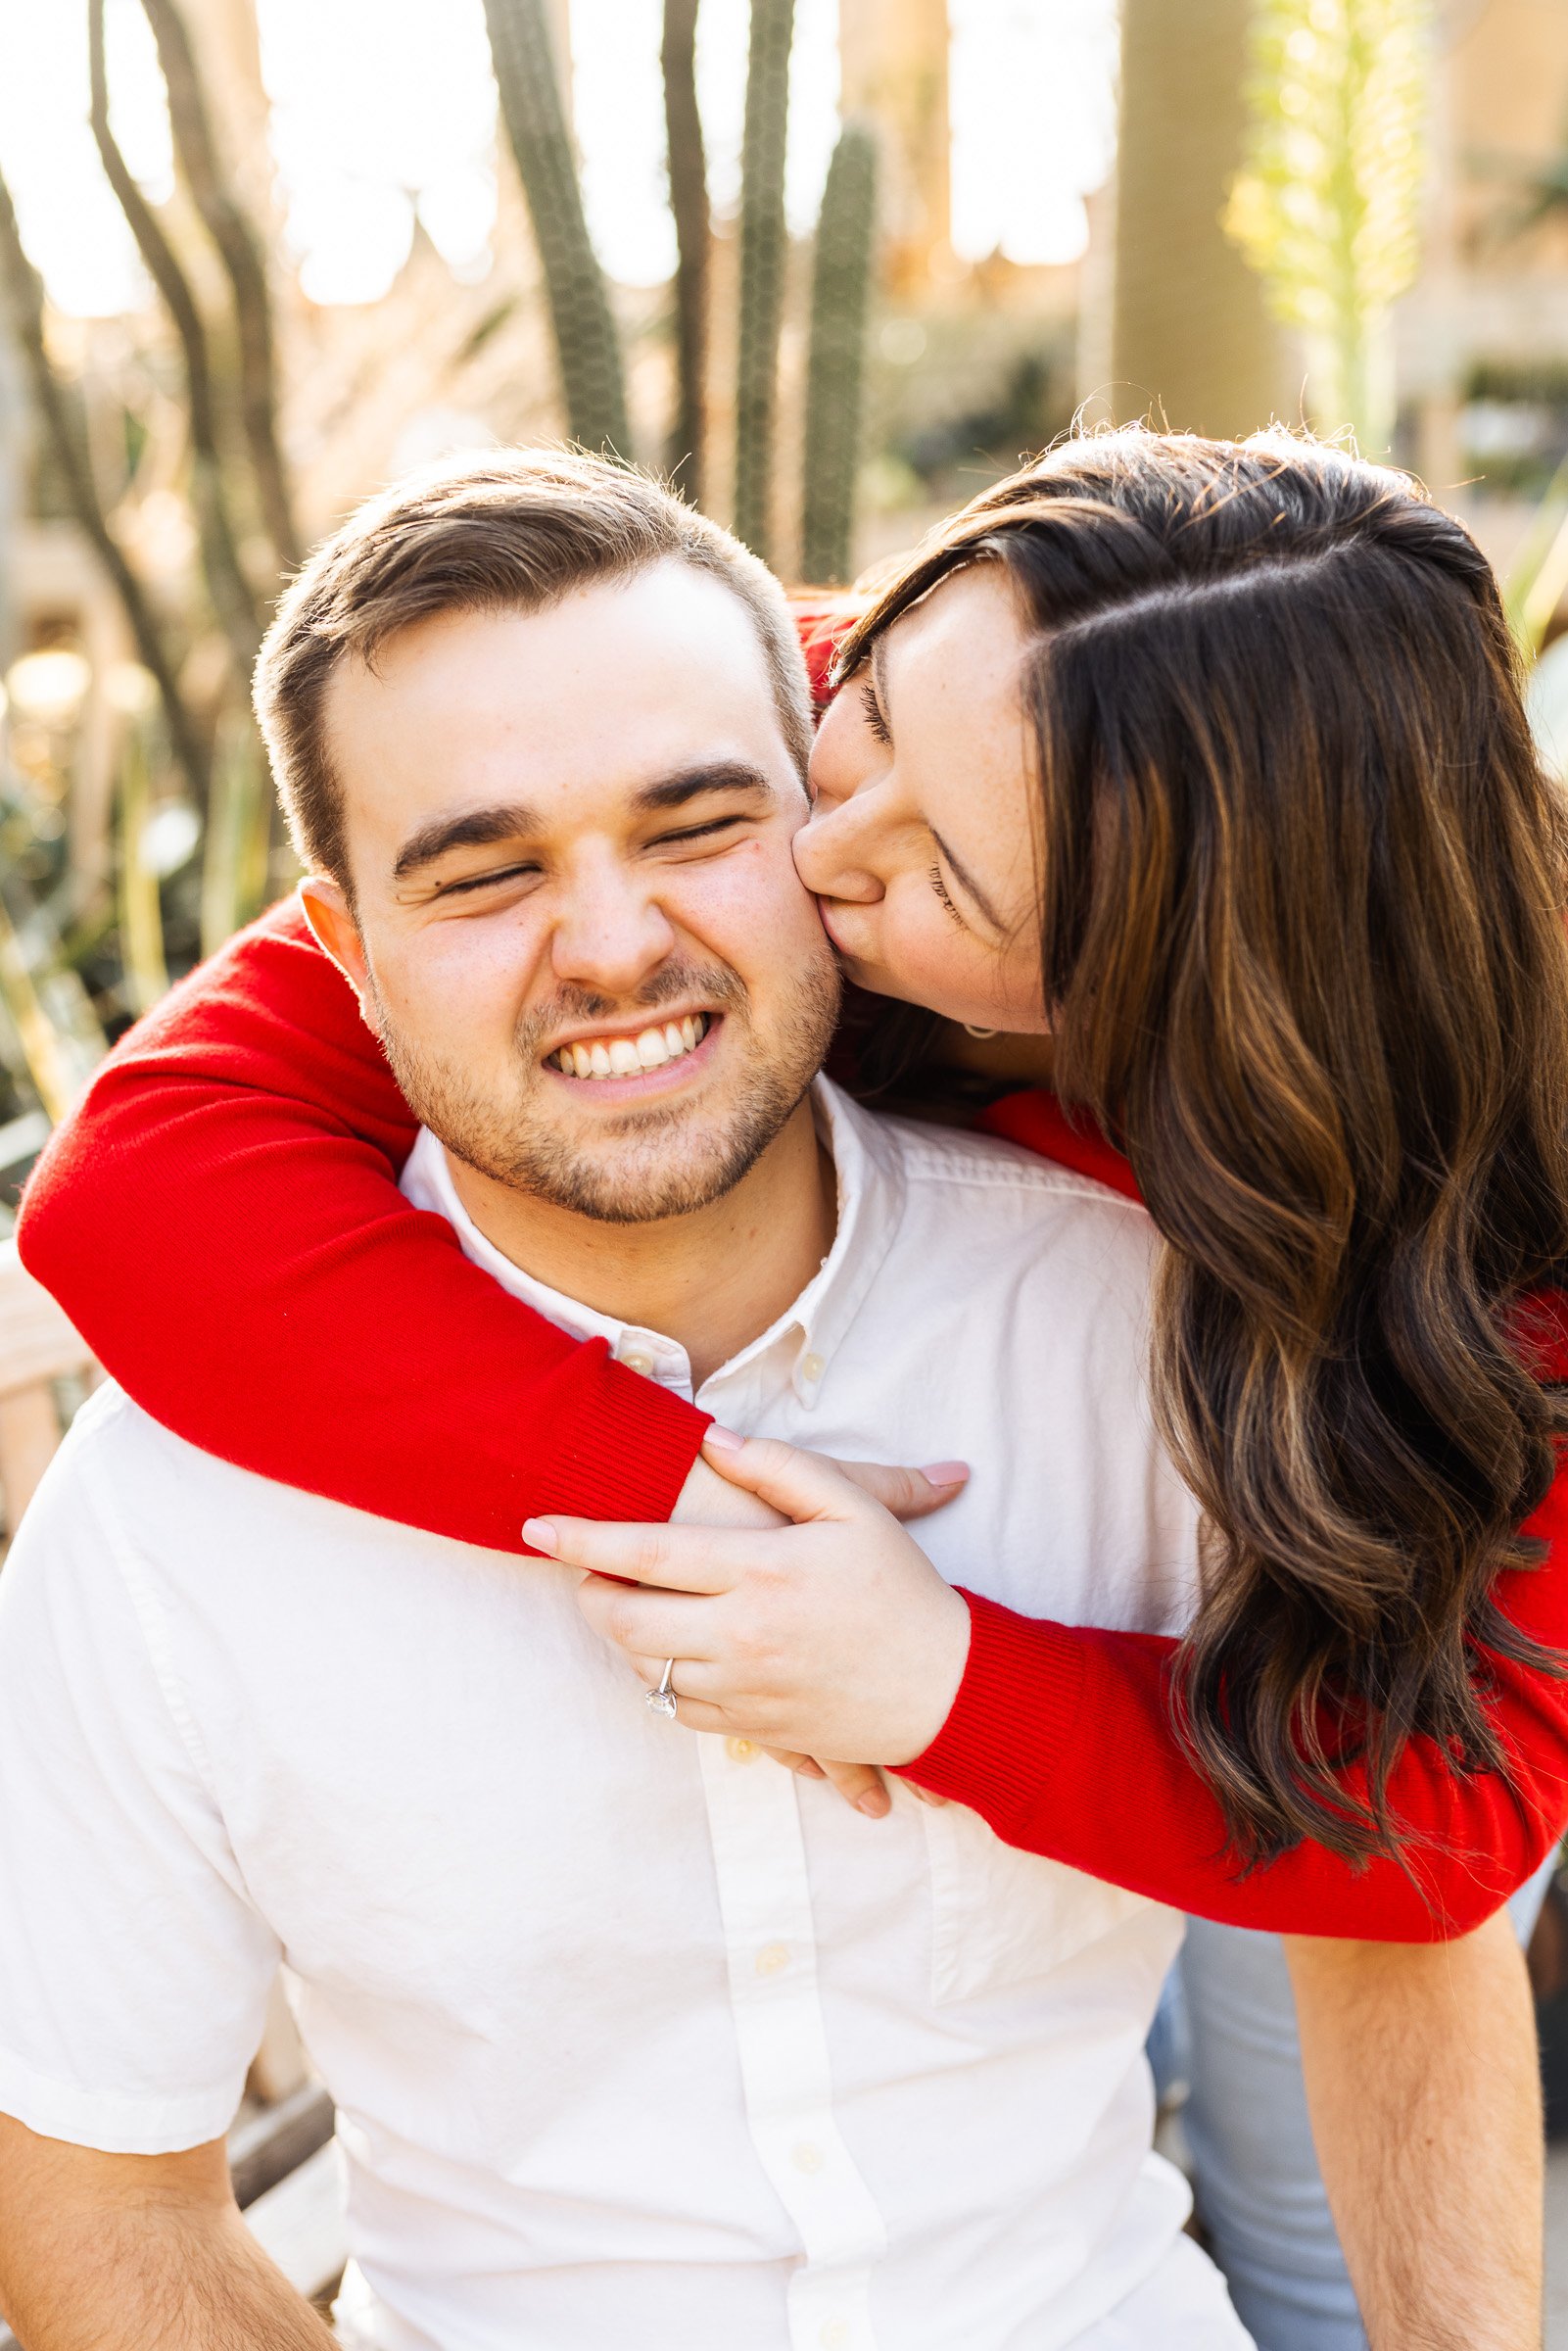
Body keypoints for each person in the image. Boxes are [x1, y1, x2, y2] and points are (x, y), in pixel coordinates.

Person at [10, 438, 1562, 2344]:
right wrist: (684, 1492)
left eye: (926, 872)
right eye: (856, 741)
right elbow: (139, 1175)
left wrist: (949, 1685)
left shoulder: (1266, 1303)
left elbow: (1420, 1843)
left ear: (1123, 980)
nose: (812, 867)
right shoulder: (823, 723)